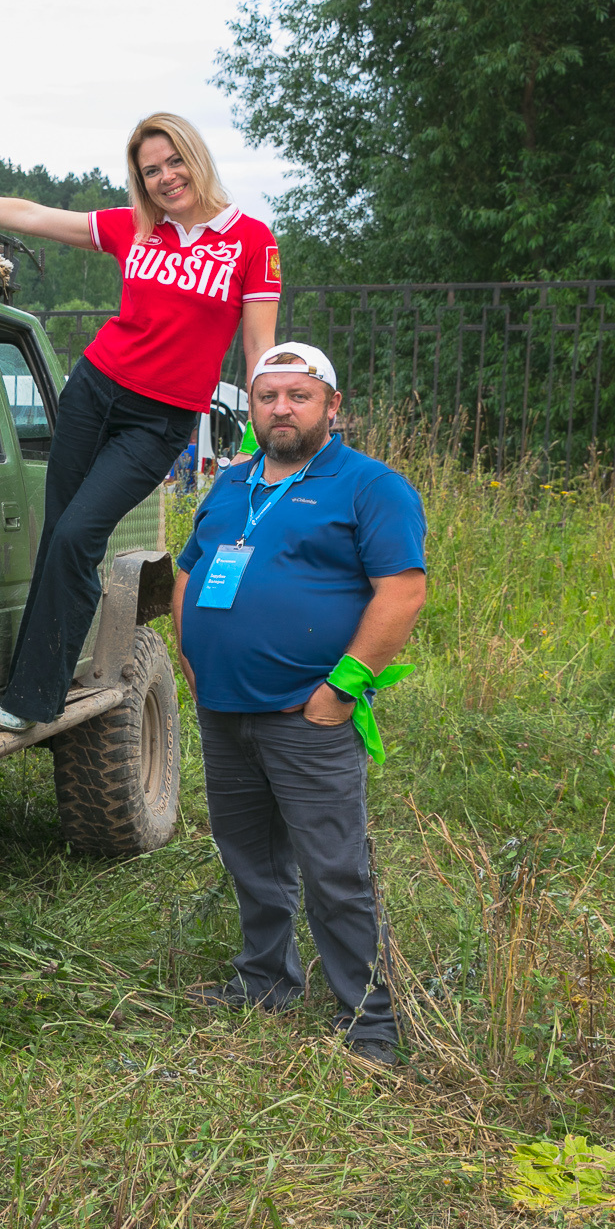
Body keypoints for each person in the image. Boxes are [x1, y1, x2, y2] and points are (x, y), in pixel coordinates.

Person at [0, 112, 279, 732]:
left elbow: (259, 351)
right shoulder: (136, 229)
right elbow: (33, 216)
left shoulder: (252, 241)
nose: (165, 178)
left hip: (159, 421)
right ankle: (26, 688)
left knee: (80, 535)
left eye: (173, 162)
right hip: (93, 389)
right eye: (150, 171)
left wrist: (257, 441)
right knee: (57, 536)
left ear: (196, 157)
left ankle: (34, 699)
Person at [169, 343, 428, 1065]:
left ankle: (370, 1024)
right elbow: (189, 572)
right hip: (225, 710)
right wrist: (193, 658)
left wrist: (339, 690)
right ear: (250, 407)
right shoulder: (230, 484)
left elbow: (402, 590)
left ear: (332, 406)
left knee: (334, 872)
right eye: (268, 395)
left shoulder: (369, 487)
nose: (281, 408)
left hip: (306, 714)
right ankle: (265, 981)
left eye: (299, 395)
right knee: (250, 855)